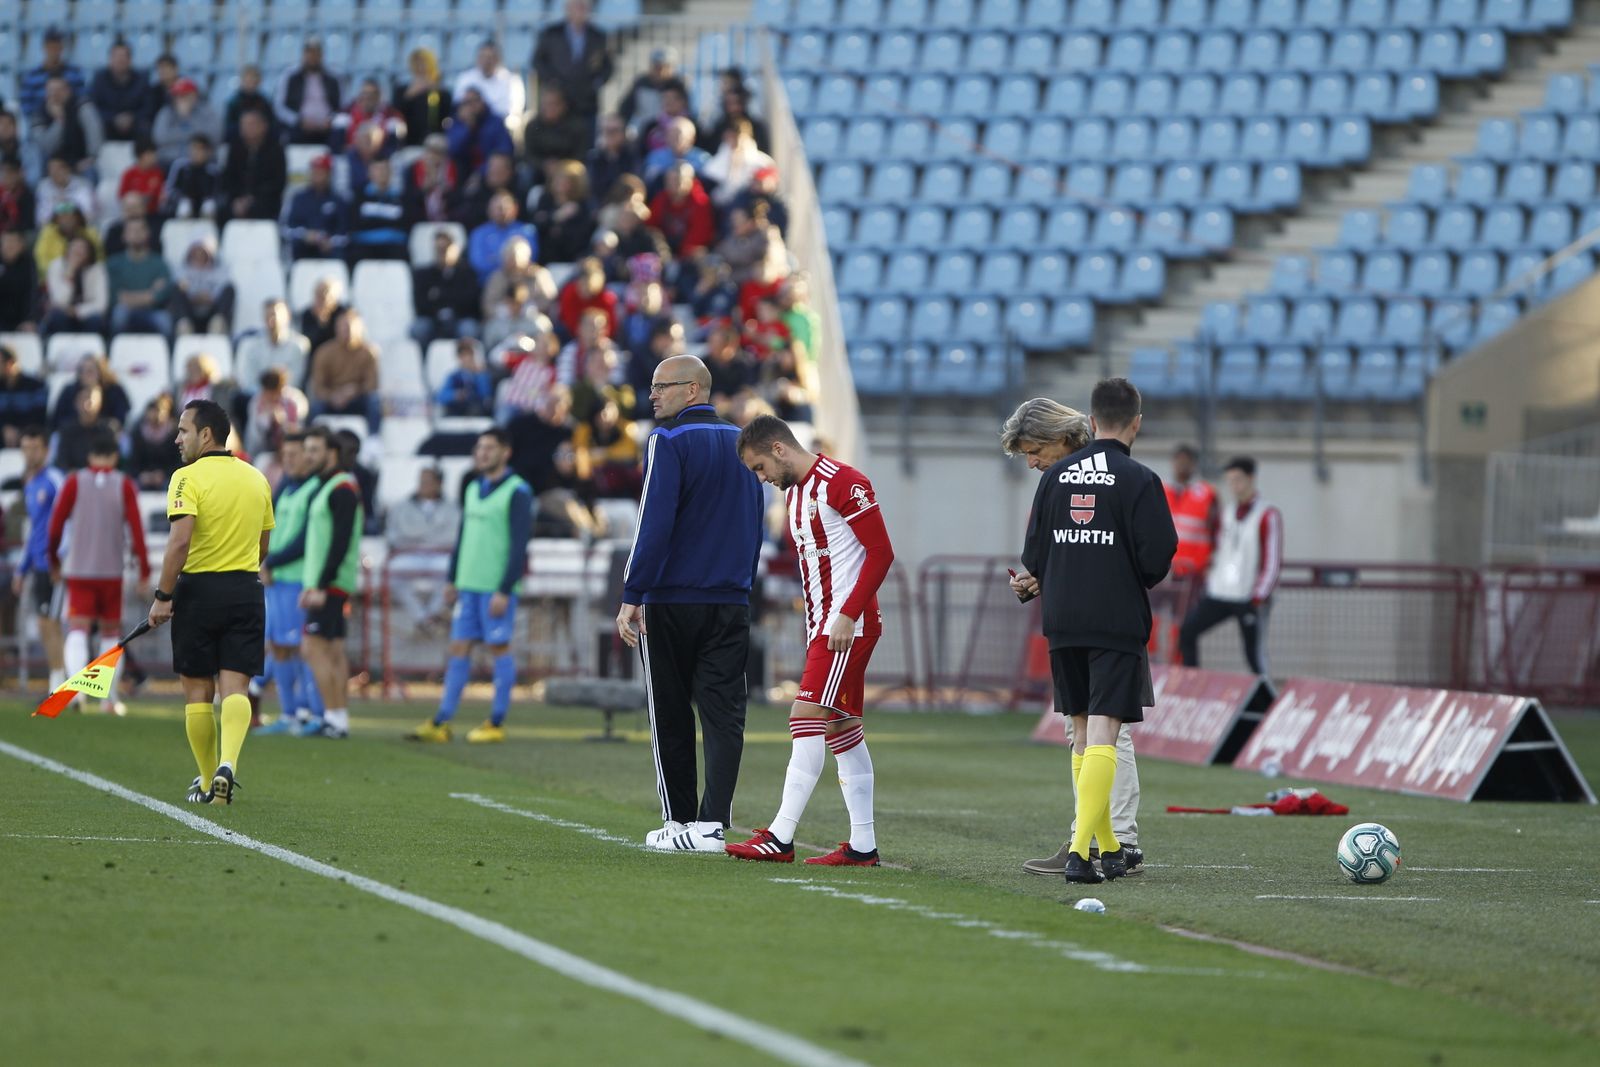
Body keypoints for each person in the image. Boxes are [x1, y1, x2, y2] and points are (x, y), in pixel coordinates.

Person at [1016, 378, 1177, 885]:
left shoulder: (1055, 477)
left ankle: (1106, 847)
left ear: (1089, 421)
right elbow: (1157, 558)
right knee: (1107, 729)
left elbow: (1034, 557)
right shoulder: (1140, 479)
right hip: (1115, 619)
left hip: (1063, 620)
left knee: (1082, 732)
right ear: (1136, 423)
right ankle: (1082, 854)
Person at [724, 416, 896, 866]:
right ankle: (863, 846)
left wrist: (847, 614)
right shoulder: (797, 493)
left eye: (760, 467)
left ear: (778, 448)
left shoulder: (844, 482)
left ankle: (780, 837)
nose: (762, 478)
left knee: (805, 715)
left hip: (845, 627)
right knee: (842, 729)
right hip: (825, 624)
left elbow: (881, 553)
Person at [614, 354, 764, 852]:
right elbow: (753, 525)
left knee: (670, 712)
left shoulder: (667, 440)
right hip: (730, 600)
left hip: (671, 599)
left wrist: (633, 592)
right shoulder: (746, 443)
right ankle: (712, 826)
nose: (652, 394)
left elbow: (652, 523)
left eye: (662, 386)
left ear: (693, 391)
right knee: (724, 716)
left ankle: (678, 822)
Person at [1001, 397, 1144, 878]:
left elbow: (1123, 553)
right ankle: (1102, 841)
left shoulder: (1076, 480)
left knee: (1100, 731)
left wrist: (1050, 574)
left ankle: (1111, 840)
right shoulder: (1072, 479)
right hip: (1091, 618)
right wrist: (1041, 578)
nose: (1032, 462)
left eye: (1034, 449)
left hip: (1090, 622)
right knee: (1093, 730)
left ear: (1062, 438)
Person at [146, 400, 275, 803]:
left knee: (198, 692)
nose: (176, 438)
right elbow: (263, 544)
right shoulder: (258, 479)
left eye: (183, 430)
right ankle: (229, 764)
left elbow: (179, 543)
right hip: (246, 590)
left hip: (198, 592)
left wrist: (163, 597)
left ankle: (205, 781)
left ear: (205, 434)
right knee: (236, 687)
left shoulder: (186, 479)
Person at [407, 430, 533, 743]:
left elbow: (519, 545)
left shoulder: (518, 491)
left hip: (495, 588)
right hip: (469, 586)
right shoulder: (474, 487)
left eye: (489, 448)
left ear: (506, 452)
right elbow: (463, 538)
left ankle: (496, 722)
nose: (482, 453)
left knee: (499, 648)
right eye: (479, 448)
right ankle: (442, 721)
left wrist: (505, 588)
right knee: (458, 648)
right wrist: (453, 579)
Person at [48, 431, 153, 716]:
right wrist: (144, 569)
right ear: (115, 457)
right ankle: (108, 699)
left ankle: (74, 695)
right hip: (111, 571)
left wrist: (54, 562)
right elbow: (137, 531)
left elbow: (55, 526)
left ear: (90, 456)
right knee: (110, 634)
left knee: (78, 629)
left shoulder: (74, 482)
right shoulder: (124, 485)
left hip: (80, 569)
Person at [1178, 456, 1283, 676]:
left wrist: (1258, 596)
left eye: (1239, 480)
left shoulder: (1267, 514)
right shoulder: (1227, 513)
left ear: (1251, 479)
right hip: (1221, 592)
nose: (1234, 486)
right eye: (1230, 480)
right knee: (1187, 631)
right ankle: (1192, 684)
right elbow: (1220, 549)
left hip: (1248, 596)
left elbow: (1272, 561)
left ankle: (1265, 701)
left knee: (1254, 653)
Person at [293, 426, 363, 739]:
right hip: (328, 582)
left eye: (314, 450)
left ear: (331, 454)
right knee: (332, 650)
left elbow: (340, 541)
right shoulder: (330, 486)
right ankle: (338, 719)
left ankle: (333, 717)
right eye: (306, 449)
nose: (308, 456)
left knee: (313, 649)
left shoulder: (341, 489)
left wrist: (321, 584)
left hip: (331, 583)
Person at [255, 432, 325, 734]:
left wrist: (272, 561)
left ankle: (312, 712)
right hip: (277, 579)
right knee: (279, 646)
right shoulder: (285, 485)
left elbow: (305, 540)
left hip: (297, 578)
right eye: (286, 456)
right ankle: (290, 714)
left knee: (301, 647)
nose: (290, 460)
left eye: (295, 455)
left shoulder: (314, 489)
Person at [1150, 444, 1218, 662]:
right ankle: (1149, 668)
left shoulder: (1207, 495)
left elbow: (1216, 532)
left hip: (1190, 573)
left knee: (1182, 624)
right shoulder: (1159, 490)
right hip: (1160, 571)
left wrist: (1205, 565)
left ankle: (1178, 670)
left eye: (1187, 461)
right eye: (1179, 460)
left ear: (1194, 465)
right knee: (1152, 621)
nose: (1182, 465)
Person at [13, 426, 67, 692]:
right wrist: (21, 570)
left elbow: (69, 520)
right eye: (25, 448)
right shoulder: (31, 484)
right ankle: (57, 684)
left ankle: (59, 689)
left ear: (46, 450)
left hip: (53, 565)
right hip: (37, 565)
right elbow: (34, 529)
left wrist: (60, 559)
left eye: (34, 448)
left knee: (51, 624)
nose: (29, 453)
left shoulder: (55, 480)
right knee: (45, 624)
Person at [383, 465, 460, 638]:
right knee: (393, 573)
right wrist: (427, 536)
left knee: (453, 574)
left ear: (439, 483)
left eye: (429, 481)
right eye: (422, 481)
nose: (424, 485)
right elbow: (394, 535)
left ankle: (429, 615)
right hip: (409, 554)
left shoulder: (452, 507)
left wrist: (417, 535)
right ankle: (423, 617)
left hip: (441, 555)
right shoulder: (401, 506)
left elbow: (454, 536)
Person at [533, 1, 613, 131]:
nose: (580, 11)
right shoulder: (552, 33)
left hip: (587, 102)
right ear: (567, 9)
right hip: (559, 102)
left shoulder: (598, 36)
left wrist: (596, 83)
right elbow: (538, 61)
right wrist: (551, 82)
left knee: (586, 144)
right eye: (576, 6)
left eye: (583, 7)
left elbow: (607, 67)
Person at [308, 308, 381, 433]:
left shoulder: (369, 352)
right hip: (332, 400)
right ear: (336, 328)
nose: (348, 330)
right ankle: (312, 438)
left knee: (374, 401)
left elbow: (372, 384)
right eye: (343, 326)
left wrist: (354, 390)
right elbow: (318, 387)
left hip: (357, 398)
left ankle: (373, 439)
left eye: (351, 326)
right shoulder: (324, 352)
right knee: (316, 406)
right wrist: (333, 396)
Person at [105, 216, 173, 338]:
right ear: (124, 236)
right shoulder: (113, 263)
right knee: (119, 314)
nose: (135, 234)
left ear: (147, 234)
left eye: (140, 230)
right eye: (131, 230)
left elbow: (160, 294)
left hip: (153, 311)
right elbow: (115, 296)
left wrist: (131, 297)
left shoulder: (159, 263)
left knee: (164, 320)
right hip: (124, 310)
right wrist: (148, 295)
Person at [411, 231, 480, 347]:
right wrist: (441, 308)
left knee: (469, 329)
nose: (442, 253)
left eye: (445, 249)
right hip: (432, 319)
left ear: (456, 249)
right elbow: (421, 303)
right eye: (438, 249)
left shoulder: (467, 273)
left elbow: (471, 302)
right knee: (419, 329)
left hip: (460, 318)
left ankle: (465, 363)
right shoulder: (424, 274)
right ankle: (425, 363)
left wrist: (440, 297)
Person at [220, 109, 287, 224]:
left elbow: (277, 182)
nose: (246, 128)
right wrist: (237, 200)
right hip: (237, 199)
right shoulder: (235, 148)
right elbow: (228, 178)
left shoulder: (275, 149)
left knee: (260, 209)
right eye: (243, 124)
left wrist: (251, 199)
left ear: (263, 126)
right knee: (220, 210)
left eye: (251, 124)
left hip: (265, 200)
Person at [274, 39, 342, 146]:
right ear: (303, 54)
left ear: (321, 55)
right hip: (299, 126)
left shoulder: (333, 77)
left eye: (316, 53)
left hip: (327, 127)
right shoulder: (290, 76)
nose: (313, 57)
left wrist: (330, 120)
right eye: (309, 53)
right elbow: (280, 107)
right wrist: (299, 121)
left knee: (339, 135)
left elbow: (341, 107)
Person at [282, 153, 348, 260]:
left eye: (321, 172)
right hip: (303, 248)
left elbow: (345, 234)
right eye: (314, 171)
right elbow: (287, 229)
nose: (317, 175)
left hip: (329, 251)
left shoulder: (338, 200)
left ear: (329, 174)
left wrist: (329, 241)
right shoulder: (299, 198)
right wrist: (305, 235)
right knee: (297, 247)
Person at [452, 41, 525, 139]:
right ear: (477, 58)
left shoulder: (511, 80)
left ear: (498, 59)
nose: (486, 61)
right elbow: (458, 104)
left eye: (490, 57)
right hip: (469, 124)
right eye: (483, 56)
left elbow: (511, 109)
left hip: (497, 126)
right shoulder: (465, 78)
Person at [33, 77, 104, 176]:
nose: (55, 94)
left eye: (59, 90)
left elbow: (94, 133)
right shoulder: (39, 112)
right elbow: (47, 147)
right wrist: (60, 120)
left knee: (90, 172)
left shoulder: (82, 106)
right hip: (54, 165)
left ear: (68, 91)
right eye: (51, 91)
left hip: (81, 161)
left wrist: (92, 158)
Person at [41, 233, 108, 338]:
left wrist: (77, 311)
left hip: (86, 315)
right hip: (63, 314)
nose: (77, 252)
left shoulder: (97, 270)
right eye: (74, 248)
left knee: (96, 320)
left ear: (89, 252)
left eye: (82, 248)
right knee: (56, 316)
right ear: (67, 250)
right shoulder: (56, 266)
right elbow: (59, 300)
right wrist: (70, 272)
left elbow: (101, 304)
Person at [468, 190, 539, 283]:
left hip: (521, 281)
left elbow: (531, 257)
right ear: (489, 210)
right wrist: (509, 262)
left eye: (505, 208)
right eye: (497, 208)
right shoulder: (479, 233)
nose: (501, 212)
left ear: (515, 209)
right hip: (488, 283)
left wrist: (494, 259)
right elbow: (478, 262)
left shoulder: (527, 231)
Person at [151, 78, 221, 172]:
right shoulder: (166, 112)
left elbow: (215, 136)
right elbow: (160, 137)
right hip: (169, 161)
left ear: (194, 95)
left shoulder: (207, 111)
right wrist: (191, 133)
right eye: (176, 95)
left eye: (183, 95)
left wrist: (186, 121)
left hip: (202, 162)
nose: (179, 99)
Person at [169, 235, 234, 337]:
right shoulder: (182, 269)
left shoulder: (220, 270)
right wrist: (196, 297)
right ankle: (184, 325)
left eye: (202, 251)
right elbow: (182, 287)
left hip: (212, 311)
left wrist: (210, 297)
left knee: (230, 289)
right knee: (176, 290)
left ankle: (218, 324)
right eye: (196, 251)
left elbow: (223, 290)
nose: (199, 255)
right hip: (190, 313)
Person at [523, 88, 589, 176]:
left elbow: (581, 155)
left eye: (553, 104)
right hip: (540, 170)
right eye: (546, 104)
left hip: (569, 170)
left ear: (563, 105)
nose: (550, 108)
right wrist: (543, 165)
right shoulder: (533, 126)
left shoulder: (577, 126)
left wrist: (562, 165)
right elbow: (528, 155)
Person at [395, 48, 451, 147]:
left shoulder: (441, 92)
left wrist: (435, 90)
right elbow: (396, 114)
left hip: (433, 143)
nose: (421, 68)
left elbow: (445, 118)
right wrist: (410, 95)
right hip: (408, 142)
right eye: (417, 64)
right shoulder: (402, 90)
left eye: (424, 63)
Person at [126, 393, 183, 488]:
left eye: (160, 410)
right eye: (153, 411)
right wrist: (142, 476)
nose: (156, 414)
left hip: (167, 478)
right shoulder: (138, 434)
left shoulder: (175, 434)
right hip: (144, 479)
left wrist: (164, 474)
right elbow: (133, 463)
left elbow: (179, 462)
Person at [162, 133, 220, 221]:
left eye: (200, 149)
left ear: (208, 152)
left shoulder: (213, 170)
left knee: (209, 206)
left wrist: (208, 201)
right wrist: (181, 199)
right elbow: (170, 190)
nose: (196, 152)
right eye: (193, 148)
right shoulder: (180, 166)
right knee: (184, 207)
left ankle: (208, 231)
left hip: (205, 207)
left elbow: (218, 193)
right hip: (182, 205)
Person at [0, 342, 48, 443]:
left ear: (11, 363)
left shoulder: (35, 386)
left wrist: (20, 431)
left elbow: (39, 416)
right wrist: (4, 428)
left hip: (28, 436)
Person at [435, 338, 493, 416]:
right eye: (463, 355)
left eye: (469, 355)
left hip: (477, 411)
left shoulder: (481, 375)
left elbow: (485, 395)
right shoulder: (454, 376)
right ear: (459, 358)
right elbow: (441, 396)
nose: (467, 359)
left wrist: (479, 374)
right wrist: (455, 395)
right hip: (456, 412)